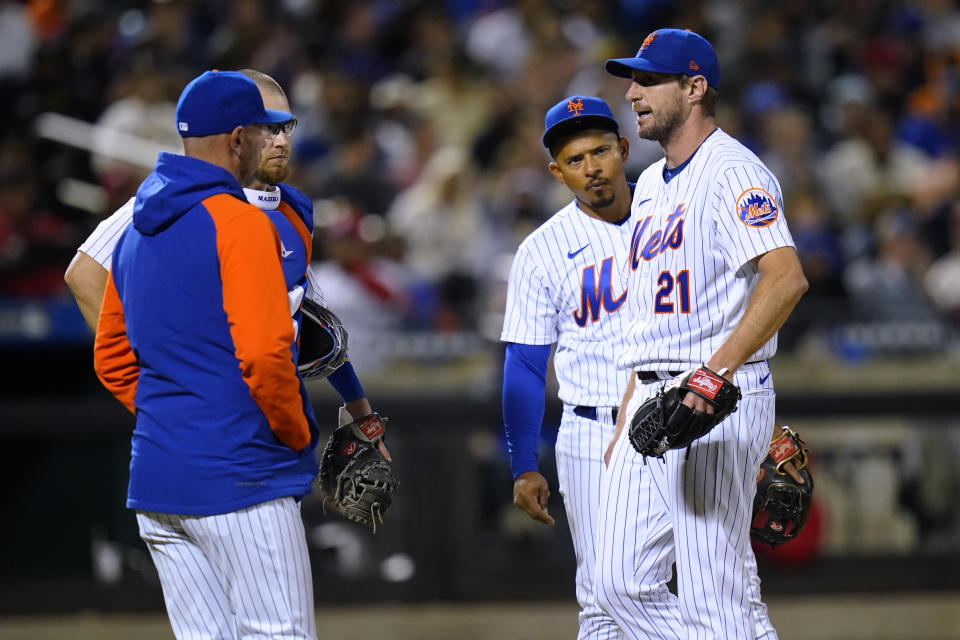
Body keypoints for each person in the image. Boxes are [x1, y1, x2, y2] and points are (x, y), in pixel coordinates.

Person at [596, 29, 808, 639]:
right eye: (632, 79)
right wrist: (625, 409)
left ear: (694, 88)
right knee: (615, 584)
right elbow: (645, 313)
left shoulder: (732, 169)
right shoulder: (654, 185)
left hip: (713, 398)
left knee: (717, 597)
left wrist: (717, 373)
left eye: (649, 80)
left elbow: (785, 277)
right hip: (649, 399)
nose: (632, 92)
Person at [92, 70, 315, 639]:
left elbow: (111, 356)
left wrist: (175, 418)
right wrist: (294, 433)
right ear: (238, 139)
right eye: (264, 132)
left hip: (158, 484)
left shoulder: (138, 225)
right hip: (242, 475)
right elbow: (266, 354)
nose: (272, 142)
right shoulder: (240, 221)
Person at [65, 69, 378, 424]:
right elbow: (86, 273)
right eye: (266, 126)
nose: (280, 140)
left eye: (285, 126)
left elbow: (321, 329)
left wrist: (360, 409)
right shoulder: (178, 196)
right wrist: (155, 396)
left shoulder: (295, 211)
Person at [501, 95, 634, 640]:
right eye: (575, 160)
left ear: (624, 148)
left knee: (698, 582)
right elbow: (525, 365)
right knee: (602, 597)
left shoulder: (669, 214)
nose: (592, 168)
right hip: (590, 431)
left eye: (601, 151)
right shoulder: (542, 250)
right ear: (557, 171)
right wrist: (522, 462)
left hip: (679, 418)